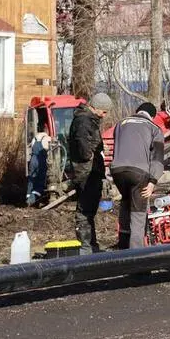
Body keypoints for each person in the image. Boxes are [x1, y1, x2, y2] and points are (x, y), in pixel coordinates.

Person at [111, 102, 166, 249]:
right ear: (152, 116)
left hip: (117, 171)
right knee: (138, 215)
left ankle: (122, 248)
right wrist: (152, 181)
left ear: (138, 111)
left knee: (126, 201)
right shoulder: (154, 127)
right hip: (138, 173)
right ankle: (137, 260)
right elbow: (157, 159)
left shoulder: (120, 124)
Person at [67, 92, 113, 254]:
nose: (105, 115)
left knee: (89, 210)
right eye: (105, 112)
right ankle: (85, 248)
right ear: (97, 108)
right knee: (85, 210)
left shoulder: (87, 120)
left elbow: (88, 142)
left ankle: (91, 245)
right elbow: (82, 143)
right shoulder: (84, 121)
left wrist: (99, 148)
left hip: (91, 171)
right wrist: (91, 154)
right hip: (86, 171)